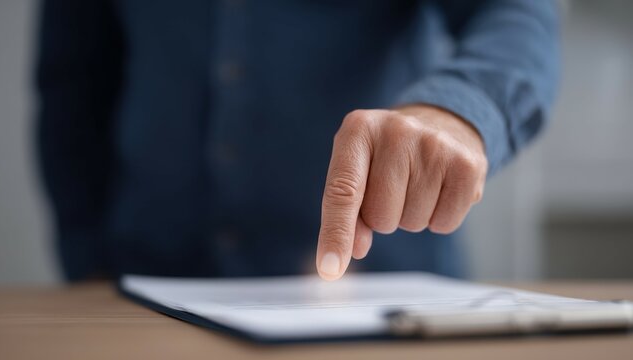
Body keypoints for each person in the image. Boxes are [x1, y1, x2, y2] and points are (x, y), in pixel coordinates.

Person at [35, 0, 559, 282]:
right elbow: (73, 84)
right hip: (143, 285)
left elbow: (516, 12)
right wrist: (86, 256)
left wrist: (456, 110)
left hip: (389, 294)